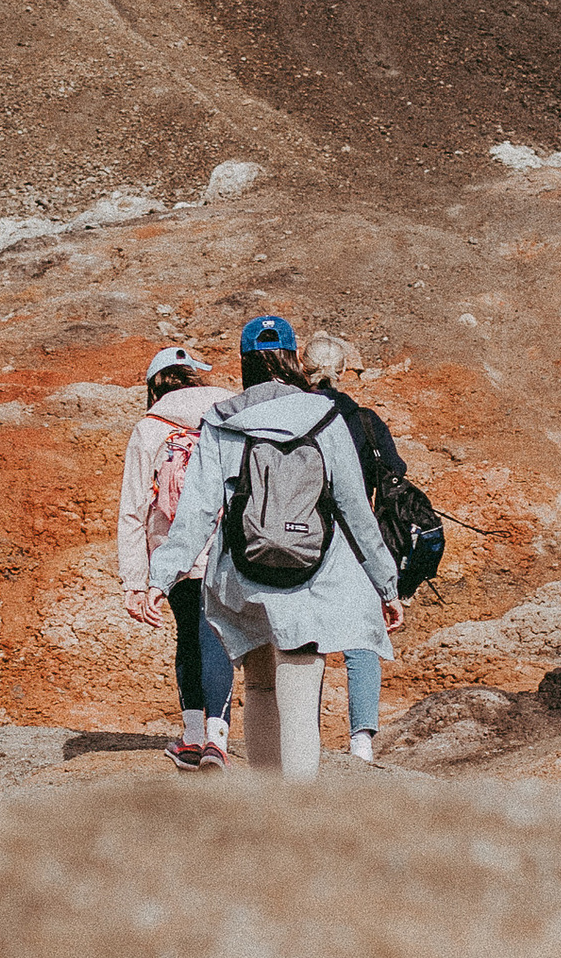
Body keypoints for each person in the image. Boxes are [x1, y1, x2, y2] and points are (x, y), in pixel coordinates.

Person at [146, 312, 402, 782]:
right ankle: (298, 816)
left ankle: (264, 813)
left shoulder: (224, 420)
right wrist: (387, 585)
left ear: (246, 362)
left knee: (261, 689)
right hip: (314, 581)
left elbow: (198, 513)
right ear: (291, 359)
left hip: (244, 578)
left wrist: (159, 579)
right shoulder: (324, 417)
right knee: (300, 703)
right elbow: (355, 513)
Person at [119, 342, 235, 770]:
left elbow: (132, 508)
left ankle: (190, 738)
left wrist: (135, 581)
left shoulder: (149, 428)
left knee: (189, 631)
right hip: (226, 542)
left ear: (155, 387)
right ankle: (217, 739)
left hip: (171, 549)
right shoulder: (230, 413)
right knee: (216, 633)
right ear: (196, 379)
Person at [304, 329, 411, 762]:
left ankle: (302, 735)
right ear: (345, 371)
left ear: (303, 369)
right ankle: (361, 741)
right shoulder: (365, 420)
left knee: (304, 637)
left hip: (302, 537)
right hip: (354, 540)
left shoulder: (295, 415)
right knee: (361, 637)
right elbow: (395, 471)